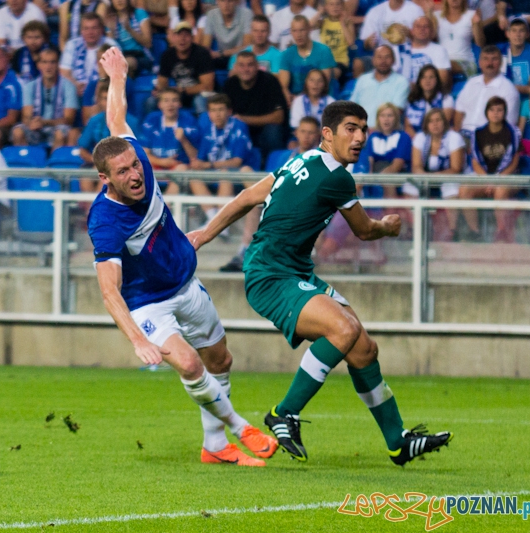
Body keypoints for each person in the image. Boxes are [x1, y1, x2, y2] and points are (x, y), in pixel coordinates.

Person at [189, 100, 454, 465]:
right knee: (343, 330)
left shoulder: (302, 159)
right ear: (327, 134)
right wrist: (388, 227)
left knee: (363, 348)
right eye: (350, 128)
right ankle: (285, 412)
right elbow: (364, 230)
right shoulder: (337, 177)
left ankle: (398, 441)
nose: (359, 137)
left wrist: (205, 234)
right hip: (272, 276)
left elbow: (250, 196)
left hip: (292, 272)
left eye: (364, 129)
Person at [88, 47, 278, 466]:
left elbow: (116, 120)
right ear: (105, 179)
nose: (135, 175)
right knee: (191, 363)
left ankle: (214, 447)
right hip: (147, 303)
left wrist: (118, 78)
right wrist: (137, 340)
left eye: (135, 166)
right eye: (123, 173)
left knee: (219, 359)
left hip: (186, 283)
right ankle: (240, 427)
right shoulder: (105, 221)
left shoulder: (139, 160)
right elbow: (109, 292)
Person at [221, 116, 322, 272]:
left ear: (318, 135)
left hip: (300, 206)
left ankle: (250, 252)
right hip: (275, 199)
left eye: (311, 132)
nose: (306, 136)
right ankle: (245, 250)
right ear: (296, 133)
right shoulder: (280, 156)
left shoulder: (321, 160)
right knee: (250, 188)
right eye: (303, 131)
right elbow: (270, 180)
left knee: (255, 200)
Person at [190, 94, 254, 231]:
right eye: (213, 110)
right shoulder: (208, 129)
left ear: (229, 112)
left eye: (220, 110)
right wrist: (197, 164)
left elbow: (237, 162)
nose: (217, 114)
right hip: (214, 172)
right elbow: (201, 160)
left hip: (237, 174)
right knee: (193, 175)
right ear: (208, 114)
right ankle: (213, 217)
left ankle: (222, 222)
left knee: (225, 174)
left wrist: (208, 165)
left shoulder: (239, 127)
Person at [461, 96, 522, 241]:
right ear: (486, 112)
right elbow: (475, 162)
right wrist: (488, 180)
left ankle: (502, 232)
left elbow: (514, 163)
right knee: (464, 190)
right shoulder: (478, 133)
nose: (495, 113)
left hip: (508, 177)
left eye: (499, 110)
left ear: (505, 112)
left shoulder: (513, 132)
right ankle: (474, 232)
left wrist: (497, 180)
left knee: (500, 190)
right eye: (492, 110)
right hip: (486, 177)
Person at [410, 108, 466, 239]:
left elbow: (456, 168)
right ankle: (416, 228)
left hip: (450, 176)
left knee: (450, 188)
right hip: (427, 177)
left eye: (438, 120)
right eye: (431, 121)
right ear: (426, 124)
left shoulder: (454, 137)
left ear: (444, 122)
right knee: (410, 187)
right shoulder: (420, 138)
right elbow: (416, 166)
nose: (434, 124)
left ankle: (453, 230)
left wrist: (434, 178)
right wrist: (425, 177)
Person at [223, 51, 288, 157]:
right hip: (240, 130)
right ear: (234, 67)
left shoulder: (270, 81)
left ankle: (272, 167)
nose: (246, 69)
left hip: (264, 131)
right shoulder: (229, 84)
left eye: (250, 65)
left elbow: (279, 117)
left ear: (257, 66)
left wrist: (244, 119)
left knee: (273, 131)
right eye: (241, 65)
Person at [12, 47, 78, 150]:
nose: (48, 66)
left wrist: (44, 122)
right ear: (38, 65)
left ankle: (53, 164)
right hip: (36, 128)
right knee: (18, 131)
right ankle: (26, 164)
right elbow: (26, 116)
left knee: (60, 133)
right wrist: (31, 123)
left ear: (58, 65)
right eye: (44, 62)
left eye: (52, 62)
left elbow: (68, 119)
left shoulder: (69, 87)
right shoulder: (29, 86)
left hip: (57, 127)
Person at [455, 45, 521, 139]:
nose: (489, 63)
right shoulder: (471, 83)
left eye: (494, 59)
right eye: (485, 59)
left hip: (487, 139)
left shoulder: (509, 90)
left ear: (501, 62)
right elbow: (459, 112)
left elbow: (506, 127)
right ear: (480, 62)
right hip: (463, 136)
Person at [140, 88, 200, 185]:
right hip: (156, 164)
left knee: (182, 170)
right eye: (166, 100)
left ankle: (166, 200)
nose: (170, 104)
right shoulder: (151, 119)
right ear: (159, 105)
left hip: (178, 166)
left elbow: (195, 157)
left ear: (180, 104)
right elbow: (144, 153)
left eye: (174, 100)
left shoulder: (189, 121)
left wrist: (183, 140)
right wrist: (162, 162)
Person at [78, 81, 141, 169]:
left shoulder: (132, 122)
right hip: (98, 163)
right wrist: (98, 162)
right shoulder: (94, 120)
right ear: (99, 101)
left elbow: (138, 151)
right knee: (85, 175)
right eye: (105, 99)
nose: (109, 103)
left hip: (124, 165)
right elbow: (82, 150)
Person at [156, 22, 215, 115]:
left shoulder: (202, 53)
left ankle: (203, 128)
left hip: (200, 94)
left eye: (186, 35)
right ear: (173, 38)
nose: (182, 39)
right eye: (179, 35)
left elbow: (208, 87)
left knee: (199, 101)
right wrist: (160, 91)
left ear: (192, 38)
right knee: (151, 101)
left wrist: (182, 90)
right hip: (179, 95)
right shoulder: (167, 55)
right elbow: (162, 82)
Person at [278, 16, 336, 105]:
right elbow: (284, 86)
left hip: (320, 98)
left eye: (302, 30)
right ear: (291, 32)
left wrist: (300, 99)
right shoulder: (286, 54)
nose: (298, 35)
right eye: (294, 31)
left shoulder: (323, 51)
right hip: (294, 101)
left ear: (309, 30)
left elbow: (323, 82)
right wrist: (290, 99)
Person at [350, 45, 409, 129]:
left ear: (394, 60)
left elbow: (396, 112)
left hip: (388, 132)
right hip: (362, 130)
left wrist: (375, 130)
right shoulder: (363, 80)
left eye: (387, 57)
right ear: (373, 60)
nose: (383, 61)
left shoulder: (401, 82)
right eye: (379, 57)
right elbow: (353, 107)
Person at [60, 13, 119, 97]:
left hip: (101, 91)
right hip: (75, 90)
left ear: (101, 29)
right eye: (86, 28)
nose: (90, 32)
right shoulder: (72, 44)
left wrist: (92, 89)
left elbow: (114, 74)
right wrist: (75, 85)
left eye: (94, 28)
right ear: (81, 30)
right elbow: (64, 72)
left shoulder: (111, 46)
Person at [393, 16, 452, 89]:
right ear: (412, 31)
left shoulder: (439, 50)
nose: (422, 29)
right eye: (418, 26)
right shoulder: (398, 50)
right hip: (403, 92)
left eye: (426, 26)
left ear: (431, 31)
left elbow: (443, 81)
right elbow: (390, 77)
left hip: (429, 93)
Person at [436, 0, 486, 79]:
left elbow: (480, 43)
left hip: (466, 61)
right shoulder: (437, 16)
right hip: (443, 63)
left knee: (444, 65)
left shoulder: (471, 15)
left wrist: (476, 25)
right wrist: (428, 12)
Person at [404, 64, 455, 138]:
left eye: (431, 77)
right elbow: (408, 126)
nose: (427, 81)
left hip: (439, 138)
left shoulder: (446, 98)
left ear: (437, 79)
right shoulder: (412, 99)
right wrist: (418, 142)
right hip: (416, 140)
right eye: (424, 77)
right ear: (419, 80)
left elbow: (444, 123)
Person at [105, 0, 154, 76]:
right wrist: (111, 32)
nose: (119, 1)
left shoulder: (139, 13)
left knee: (124, 63)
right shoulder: (110, 20)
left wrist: (129, 29)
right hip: (121, 56)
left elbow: (148, 43)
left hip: (141, 55)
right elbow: (111, 49)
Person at [200, 0, 253, 70]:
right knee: (203, 61)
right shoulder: (211, 15)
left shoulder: (247, 14)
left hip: (241, 56)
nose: (226, 5)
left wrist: (221, 53)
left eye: (230, 1)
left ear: (235, 2)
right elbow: (206, 46)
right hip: (221, 57)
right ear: (217, 2)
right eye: (222, 1)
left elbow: (247, 46)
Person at [313, 0, 355, 81]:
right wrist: (320, 12)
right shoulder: (323, 22)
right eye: (331, 4)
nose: (335, 7)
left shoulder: (348, 22)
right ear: (326, 7)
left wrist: (342, 23)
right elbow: (308, 26)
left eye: (338, 4)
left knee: (328, 73)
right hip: (324, 61)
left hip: (340, 62)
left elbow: (351, 43)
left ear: (342, 6)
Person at [499, 17, 530, 99]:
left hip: (527, 102)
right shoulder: (499, 51)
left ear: (527, 34)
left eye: (521, 30)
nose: (517, 35)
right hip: (503, 100)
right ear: (507, 34)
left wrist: (509, 87)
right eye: (514, 30)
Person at [11, 20, 51, 86]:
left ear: (45, 38)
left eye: (37, 37)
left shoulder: (52, 52)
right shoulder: (18, 54)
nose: (33, 41)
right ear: (23, 38)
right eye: (29, 37)